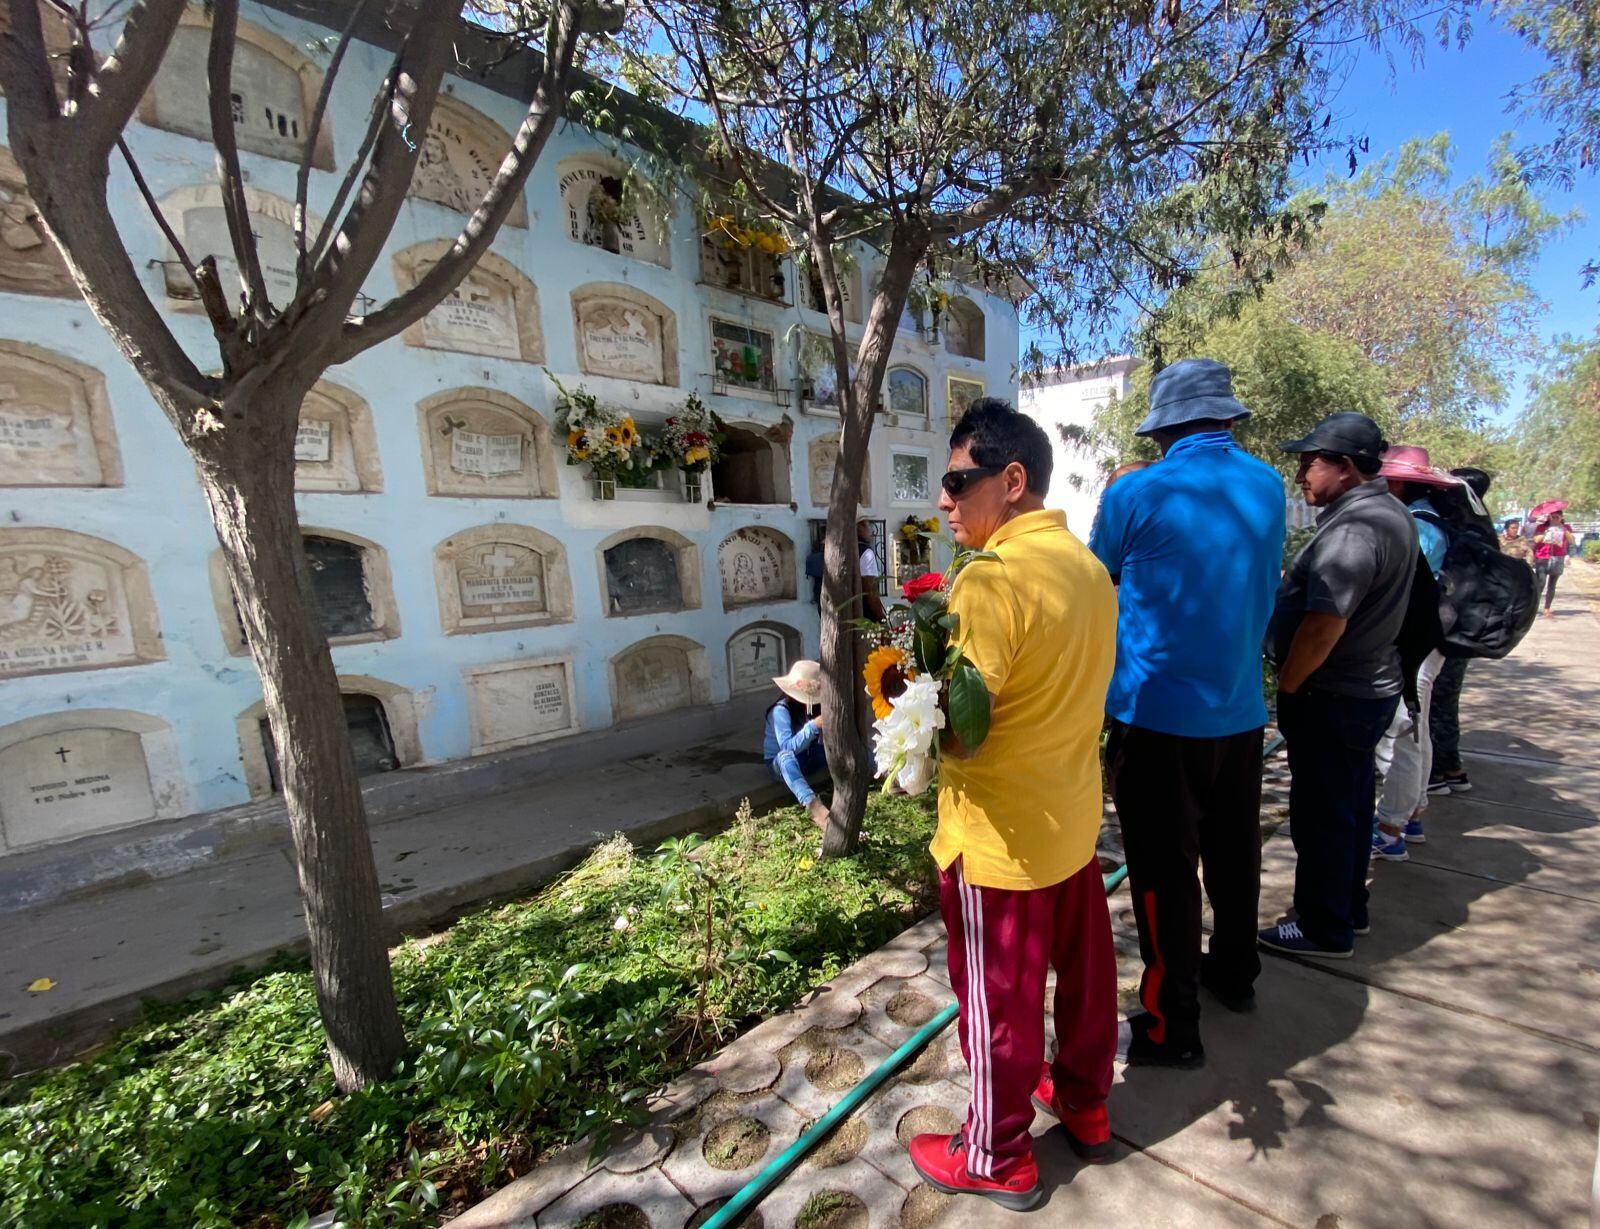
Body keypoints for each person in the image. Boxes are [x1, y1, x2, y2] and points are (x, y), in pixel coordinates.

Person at [906, 398, 1117, 1210]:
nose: (945, 500)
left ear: (1013, 479)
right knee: (1088, 982)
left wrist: (913, 721)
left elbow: (965, 733)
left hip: (999, 843)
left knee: (1001, 1004)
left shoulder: (992, 578)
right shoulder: (1088, 568)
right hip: (1070, 824)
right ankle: (1087, 1102)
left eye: (959, 480)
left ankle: (996, 1151)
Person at [1088, 358, 1286, 1068]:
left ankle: (1174, 1025)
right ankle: (1236, 976)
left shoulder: (1136, 492)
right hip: (1239, 714)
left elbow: (1097, 576)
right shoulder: (1269, 486)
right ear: (1227, 418)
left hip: (1156, 719)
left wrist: (1125, 487)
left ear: (1164, 427)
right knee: (1236, 855)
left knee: (1163, 874)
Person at [1260, 413, 1416, 958]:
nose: (1301, 474)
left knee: (1322, 814)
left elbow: (1325, 624)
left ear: (1346, 468)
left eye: (1310, 463)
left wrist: (1290, 684)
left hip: (1333, 694)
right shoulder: (1389, 514)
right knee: (1349, 804)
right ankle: (1348, 907)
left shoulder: (1354, 531)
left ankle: (1324, 926)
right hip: (1365, 689)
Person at [1369, 446, 1459, 860]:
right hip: (1430, 641)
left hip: (1415, 643)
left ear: (1400, 483)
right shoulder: (1432, 520)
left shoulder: (1416, 525)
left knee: (1400, 734)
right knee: (1415, 730)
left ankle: (1390, 829)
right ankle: (1413, 813)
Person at [1426, 466, 1495, 796]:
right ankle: (1451, 766)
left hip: (1448, 626)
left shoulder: (1458, 526)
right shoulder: (1481, 524)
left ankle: (1438, 770)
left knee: (1434, 699)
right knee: (1445, 696)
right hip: (1466, 625)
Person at [762, 660, 829, 830]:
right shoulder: (780, 712)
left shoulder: (814, 708)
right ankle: (814, 806)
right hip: (783, 763)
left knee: (841, 744)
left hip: (810, 755)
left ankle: (882, 772)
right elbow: (787, 747)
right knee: (785, 757)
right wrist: (813, 726)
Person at [1533, 510, 1576, 617]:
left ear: (1561, 517)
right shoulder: (1542, 527)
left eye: (1558, 517)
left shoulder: (1566, 527)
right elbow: (1537, 539)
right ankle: (1533, 607)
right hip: (1543, 557)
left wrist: (1562, 528)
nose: (1555, 519)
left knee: (1552, 585)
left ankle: (1547, 608)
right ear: (1549, 517)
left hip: (1558, 557)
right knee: (1541, 583)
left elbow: (1571, 540)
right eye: (1553, 517)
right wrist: (1548, 531)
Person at [856, 519, 887, 622]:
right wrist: (881, 617)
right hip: (863, 614)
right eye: (868, 525)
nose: (871, 531)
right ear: (860, 528)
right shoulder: (866, 552)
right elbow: (870, 589)